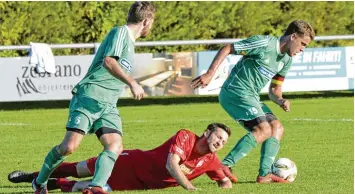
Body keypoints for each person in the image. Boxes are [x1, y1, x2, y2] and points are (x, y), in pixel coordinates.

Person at [31, 2, 156, 194]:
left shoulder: (130, 43)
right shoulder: (120, 33)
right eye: (152, 22)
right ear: (146, 21)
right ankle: (39, 182)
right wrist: (132, 82)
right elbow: (108, 61)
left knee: (115, 144)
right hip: (89, 97)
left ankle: (95, 187)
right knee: (69, 147)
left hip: (108, 105)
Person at [191, 20, 315, 183]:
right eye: (303, 44)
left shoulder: (286, 60)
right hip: (234, 92)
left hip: (251, 97)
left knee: (277, 127)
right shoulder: (264, 43)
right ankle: (224, 165)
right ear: (293, 37)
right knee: (263, 129)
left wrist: (280, 100)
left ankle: (264, 175)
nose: (302, 49)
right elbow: (228, 48)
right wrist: (209, 73)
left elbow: (274, 90)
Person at [9, 123, 237, 192]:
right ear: (206, 133)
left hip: (140, 183)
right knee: (77, 169)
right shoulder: (186, 136)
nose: (220, 143)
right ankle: (34, 176)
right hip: (130, 162)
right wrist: (189, 187)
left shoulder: (212, 161)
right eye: (218, 137)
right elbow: (171, 165)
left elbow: (223, 181)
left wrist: (225, 184)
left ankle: (54, 184)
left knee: (90, 187)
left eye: (224, 142)